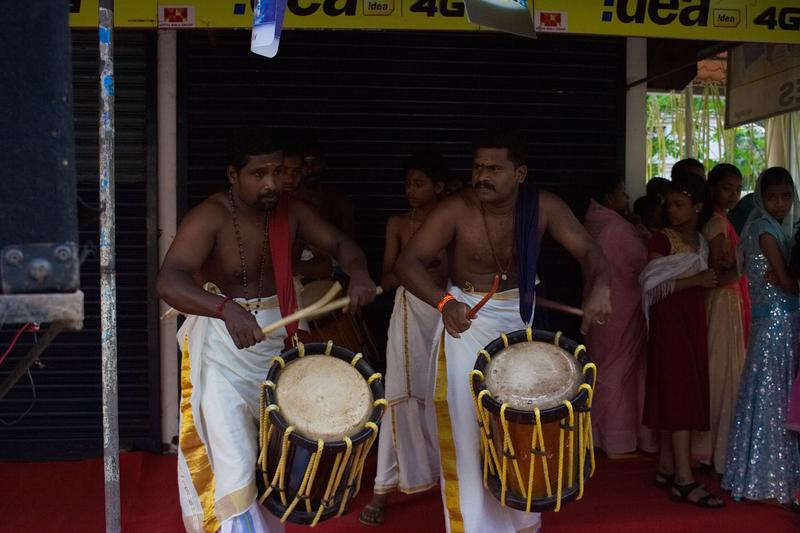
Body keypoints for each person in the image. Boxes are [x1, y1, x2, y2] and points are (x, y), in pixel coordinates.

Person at [156, 128, 376, 533]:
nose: (272, 182)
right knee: (236, 462)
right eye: (259, 173)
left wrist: (358, 272)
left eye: (277, 171)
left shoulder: (291, 212)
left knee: (275, 459)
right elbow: (169, 281)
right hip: (222, 350)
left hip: (278, 343)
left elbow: (342, 244)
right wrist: (225, 308)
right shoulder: (210, 216)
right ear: (233, 175)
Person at [395, 129, 611, 533]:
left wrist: (599, 284)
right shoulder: (454, 209)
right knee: (464, 432)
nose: (482, 176)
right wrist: (444, 303)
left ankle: (523, 521)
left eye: (494, 168)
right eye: (478, 167)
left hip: (521, 323)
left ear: (520, 173)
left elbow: (589, 251)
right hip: (466, 328)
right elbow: (409, 263)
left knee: (522, 427)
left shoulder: (543, 206)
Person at [359, 152, 448, 526]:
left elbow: (453, 273)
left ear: (439, 187)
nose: (410, 190)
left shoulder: (451, 220)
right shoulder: (397, 222)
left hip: (447, 314)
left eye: (419, 183)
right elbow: (390, 274)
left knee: (443, 395)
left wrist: (421, 268)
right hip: (410, 312)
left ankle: (453, 480)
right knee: (399, 394)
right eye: (408, 183)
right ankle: (383, 489)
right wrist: (412, 269)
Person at [639, 174, 724, 508]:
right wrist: (696, 279)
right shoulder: (663, 239)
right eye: (669, 204)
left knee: (679, 391)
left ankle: (666, 466)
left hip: (690, 324)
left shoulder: (701, 241)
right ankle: (684, 480)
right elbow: (650, 284)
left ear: (698, 207)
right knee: (680, 395)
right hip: (671, 326)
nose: (672, 210)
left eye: (680, 204)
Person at [723, 167, 800, 506]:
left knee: (770, 398)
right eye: (773, 197)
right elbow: (786, 282)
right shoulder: (766, 231)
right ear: (761, 198)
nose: (780, 203)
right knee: (775, 401)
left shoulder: (770, 226)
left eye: (786, 196)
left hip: (776, 323)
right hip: (777, 326)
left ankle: (765, 477)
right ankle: (770, 481)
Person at [584, 178, 656, 459]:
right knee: (618, 371)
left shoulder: (592, 223)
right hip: (620, 306)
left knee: (602, 368)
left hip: (598, 306)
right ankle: (617, 442)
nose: (626, 197)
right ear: (608, 196)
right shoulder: (618, 228)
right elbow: (641, 263)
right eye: (621, 192)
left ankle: (598, 436)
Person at [691, 164, 750, 476]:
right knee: (722, 372)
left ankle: (714, 449)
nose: (734, 194)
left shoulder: (717, 220)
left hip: (724, 302)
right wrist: (748, 265)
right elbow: (718, 273)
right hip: (722, 300)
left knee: (723, 371)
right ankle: (717, 450)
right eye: (728, 187)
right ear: (712, 188)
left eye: (738, 188)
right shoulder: (715, 222)